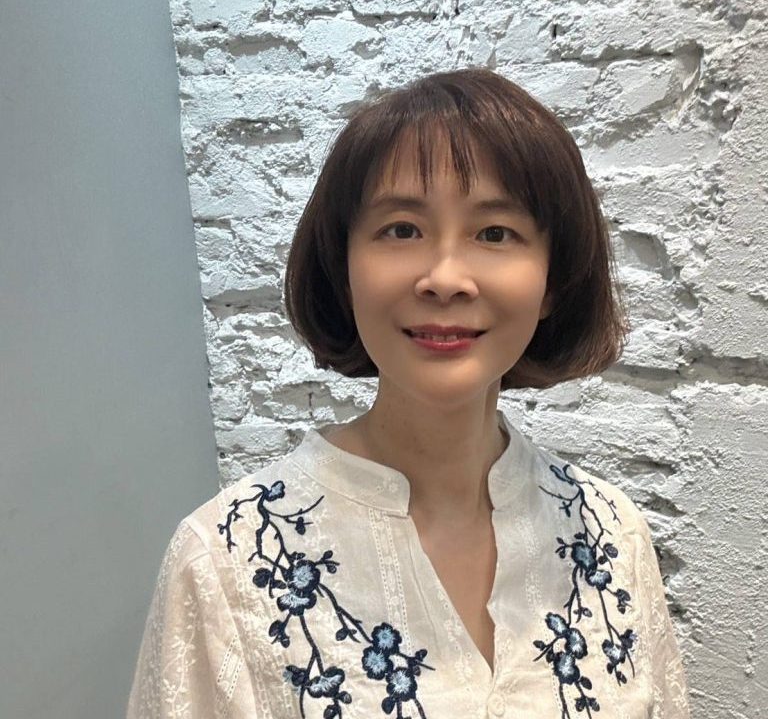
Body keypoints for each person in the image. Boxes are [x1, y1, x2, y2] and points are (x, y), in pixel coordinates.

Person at [126, 68, 691, 718]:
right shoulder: (225, 560)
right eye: (401, 229)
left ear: (552, 282)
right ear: (344, 270)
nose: (445, 278)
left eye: (495, 232)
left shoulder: (612, 533)